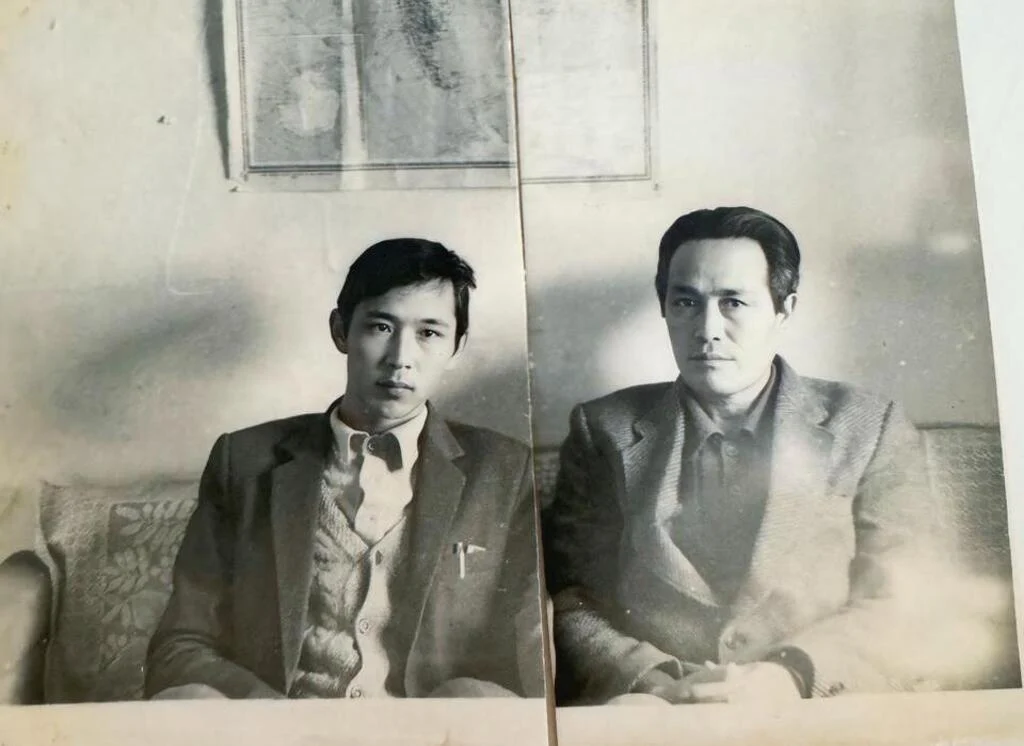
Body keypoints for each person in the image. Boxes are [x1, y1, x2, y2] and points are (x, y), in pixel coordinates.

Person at [543, 206, 963, 706]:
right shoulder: (602, 429)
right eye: (686, 302)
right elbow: (571, 598)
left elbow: (903, 596)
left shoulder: (871, 425)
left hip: (818, 706)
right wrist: (654, 681)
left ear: (784, 309)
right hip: (657, 711)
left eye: (734, 302)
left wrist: (789, 677)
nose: (707, 329)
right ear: (665, 308)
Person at [146, 238, 544, 700]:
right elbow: (180, 646)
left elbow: (524, 650)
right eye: (380, 326)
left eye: (429, 333)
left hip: (432, 727)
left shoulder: (503, 469)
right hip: (281, 724)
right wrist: (267, 713)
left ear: (457, 346)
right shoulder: (246, 461)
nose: (400, 357)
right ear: (340, 331)